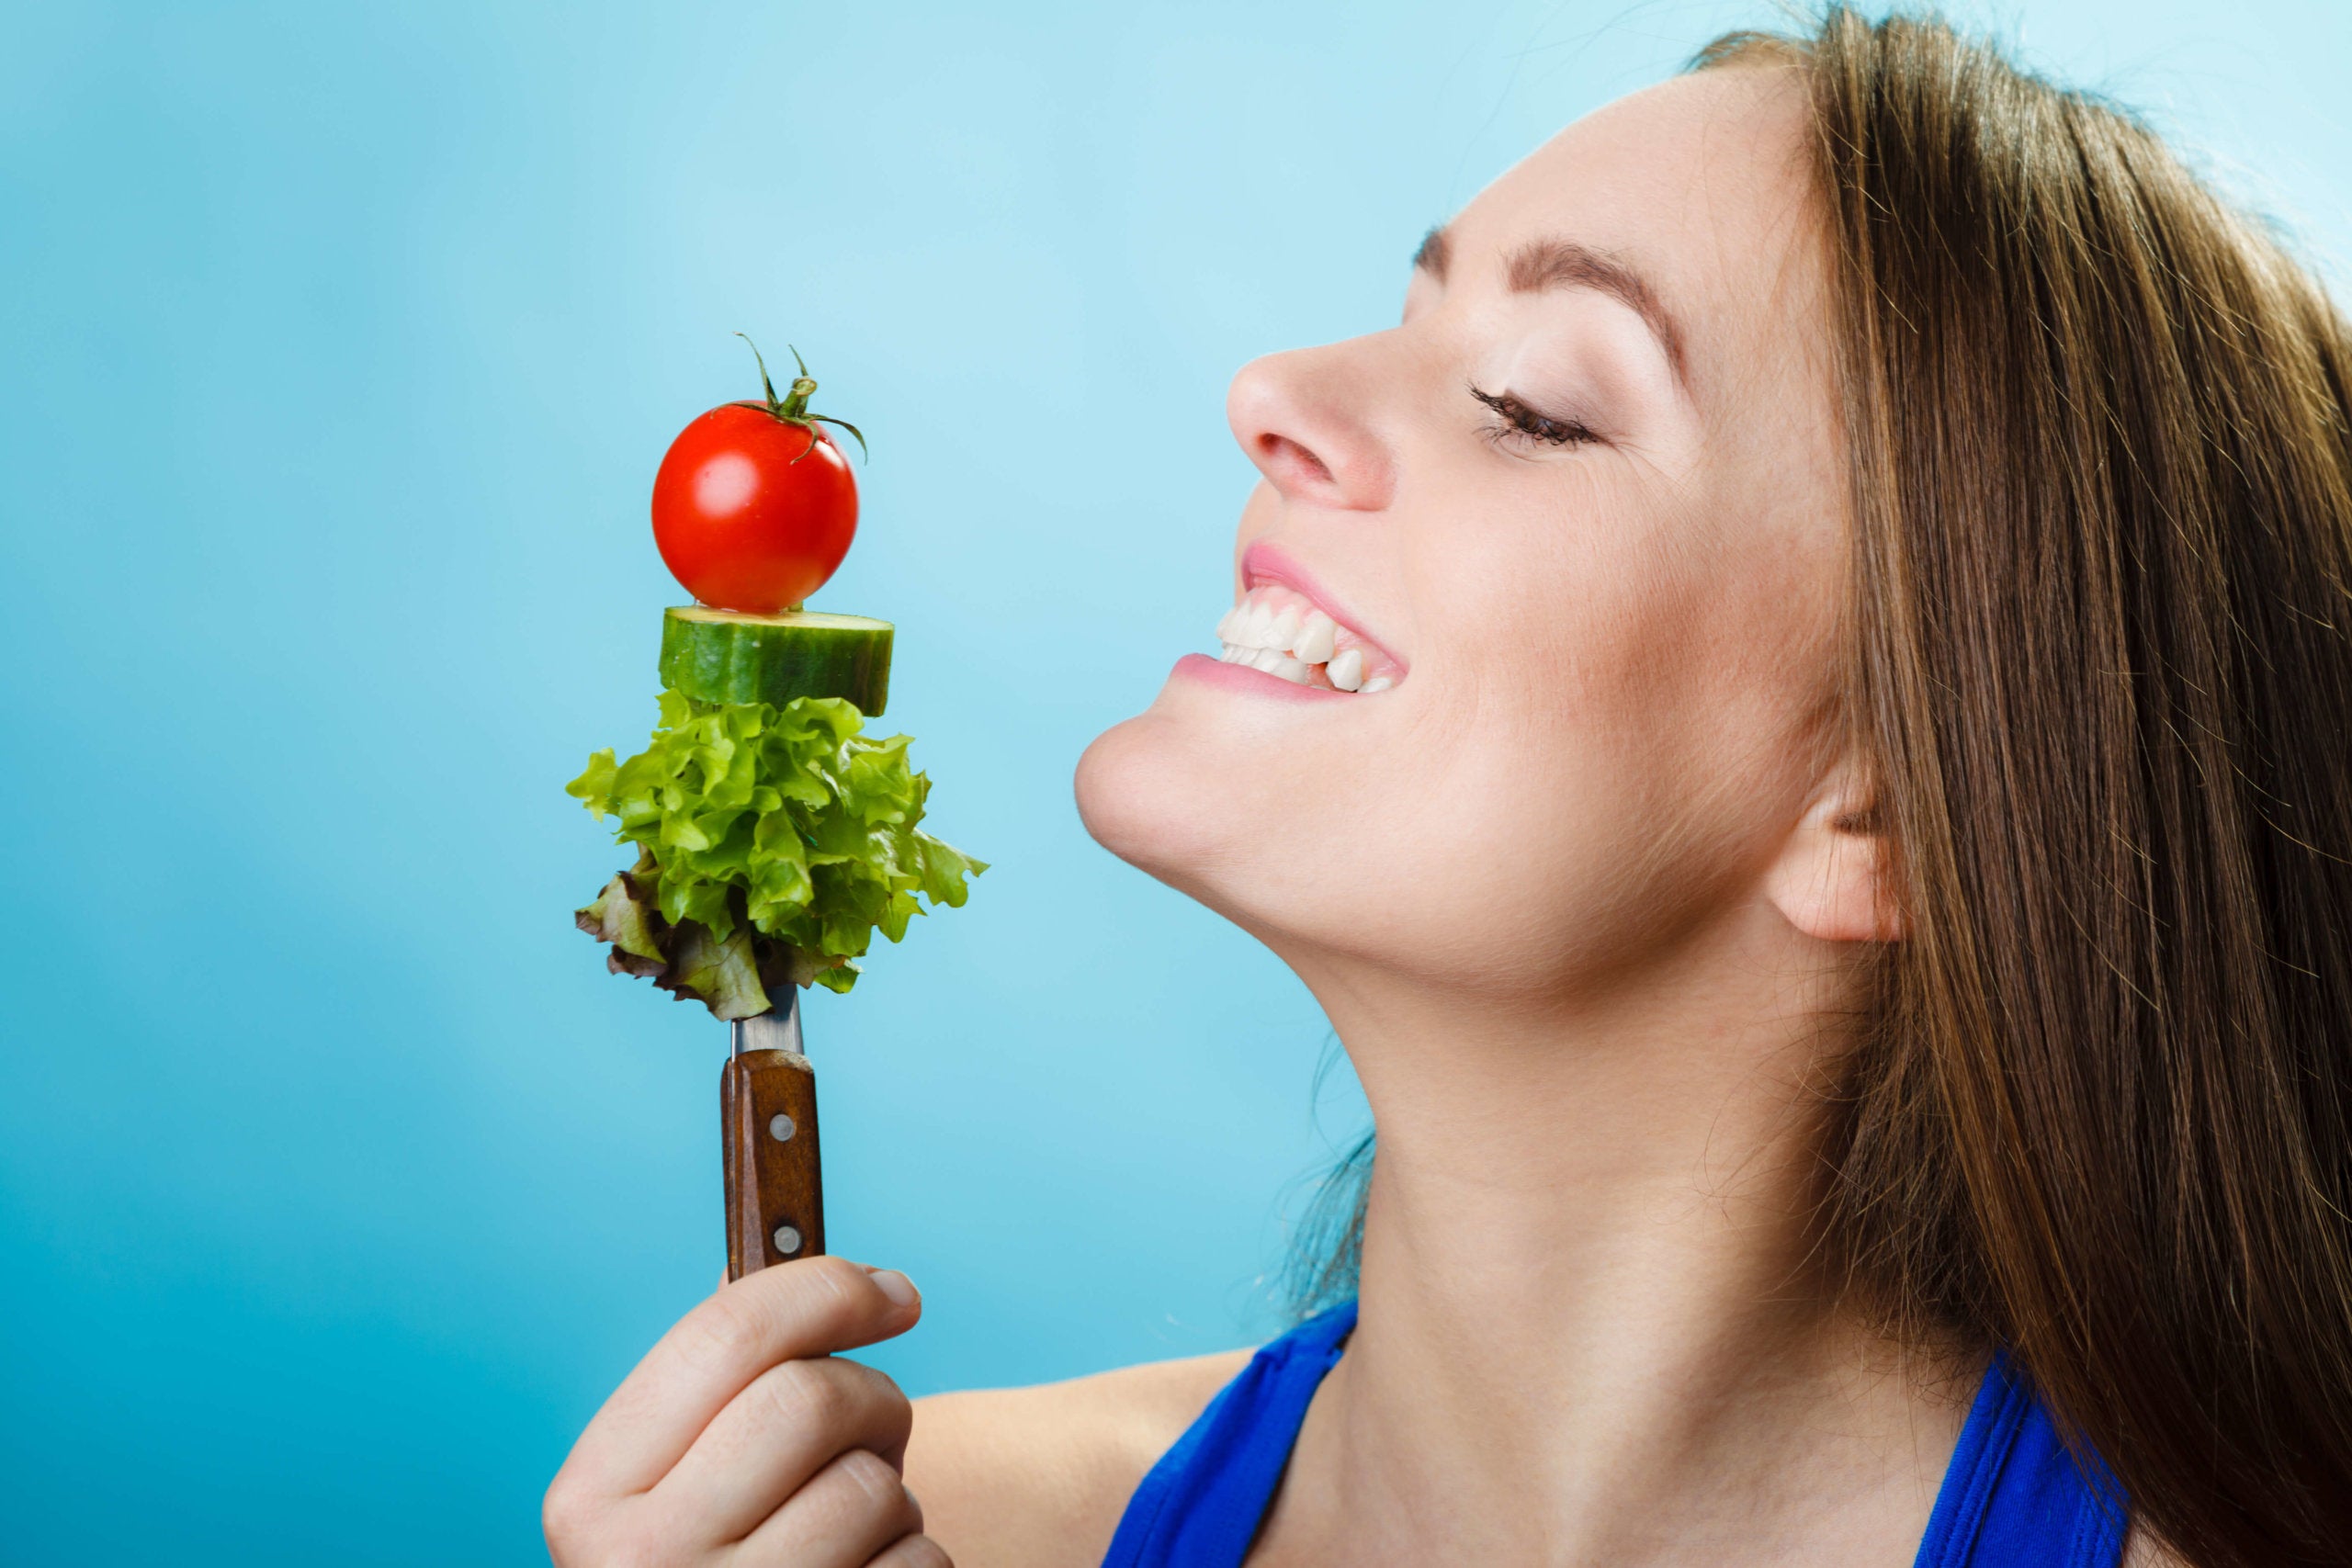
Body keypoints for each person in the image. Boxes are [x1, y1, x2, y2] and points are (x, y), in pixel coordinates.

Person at [541, 9, 2352, 1565]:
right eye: (1406, 314)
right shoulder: (928, 1526)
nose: (1272, 389)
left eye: (1534, 402)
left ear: (1879, 806)